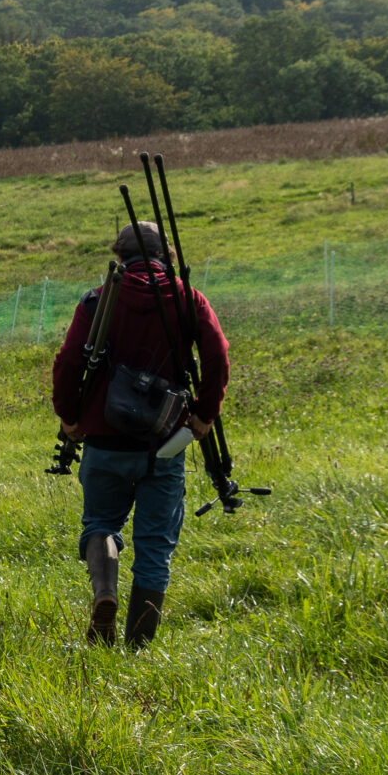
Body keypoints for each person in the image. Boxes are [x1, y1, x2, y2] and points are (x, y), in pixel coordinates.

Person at [49, 220, 230, 650]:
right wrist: (204, 414)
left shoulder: (97, 302)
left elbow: (68, 362)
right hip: (163, 446)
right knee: (154, 549)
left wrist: (70, 418)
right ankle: (137, 650)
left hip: (104, 441)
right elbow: (217, 355)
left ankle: (104, 593)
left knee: (100, 524)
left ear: (118, 255)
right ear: (165, 254)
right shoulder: (188, 299)